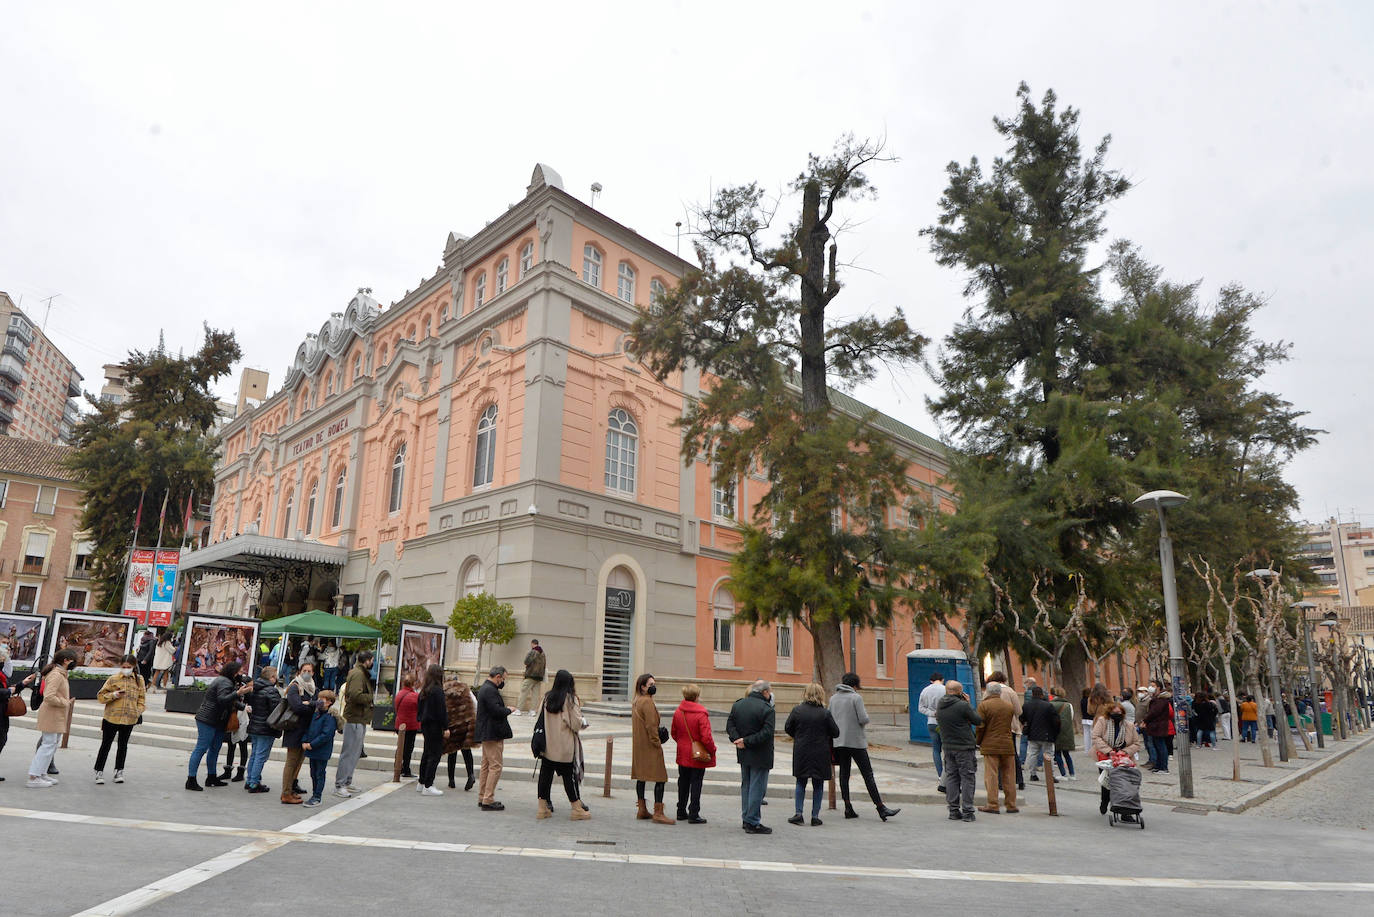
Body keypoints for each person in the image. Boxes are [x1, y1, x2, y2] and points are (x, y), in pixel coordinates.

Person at [829, 673, 900, 820]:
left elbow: (829, 718)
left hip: (839, 742)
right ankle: (880, 807)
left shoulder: (833, 698)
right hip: (856, 742)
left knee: (844, 775)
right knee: (868, 774)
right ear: (855, 685)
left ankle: (848, 807)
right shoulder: (856, 697)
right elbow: (863, 718)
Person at [187, 661, 251, 791]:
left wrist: (243, 706)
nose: (242, 674)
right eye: (240, 672)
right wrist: (238, 694)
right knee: (201, 748)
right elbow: (223, 699)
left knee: (215, 749)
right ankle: (191, 779)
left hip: (218, 720)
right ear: (233, 672)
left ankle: (211, 777)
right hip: (209, 719)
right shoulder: (224, 682)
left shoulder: (226, 681)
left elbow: (230, 700)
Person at [783, 683, 839, 827]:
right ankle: (815, 816)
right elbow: (836, 732)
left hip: (802, 750)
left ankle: (798, 813)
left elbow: (788, 727)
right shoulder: (825, 713)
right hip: (821, 751)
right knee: (818, 784)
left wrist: (799, 735)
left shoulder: (797, 710)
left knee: (800, 782)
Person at [538, 669, 590, 820]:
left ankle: (542, 809)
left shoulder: (547, 697)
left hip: (548, 745)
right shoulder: (569, 700)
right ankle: (576, 809)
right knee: (569, 777)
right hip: (564, 747)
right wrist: (584, 722)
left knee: (545, 776)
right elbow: (575, 723)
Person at [726, 679, 775, 834]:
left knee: (746, 785)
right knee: (757, 787)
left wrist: (737, 740)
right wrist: (746, 741)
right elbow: (767, 733)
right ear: (765, 692)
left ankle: (746, 817)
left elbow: (730, 725)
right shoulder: (767, 709)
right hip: (760, 753)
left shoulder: (739, 704)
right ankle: (752, 821)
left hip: (743, 751)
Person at [93, 653, 147, 785]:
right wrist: (114, 695)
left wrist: (138, 711)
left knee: (123, 746)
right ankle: (99, 770)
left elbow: (142, 699)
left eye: (129, 666)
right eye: (124, 666)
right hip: (112, 717)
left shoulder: (139, 680)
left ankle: (119, 770)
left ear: (133, 666)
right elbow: (100, 696)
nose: (126, 668)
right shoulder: (113, 679)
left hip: (129, 718)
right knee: (106, 744)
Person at [28, 648, 78, 788]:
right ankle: (34, 776)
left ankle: (41, 773)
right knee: (48, 745)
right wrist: (65, 702)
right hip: (52, 713)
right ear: (66, 660)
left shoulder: (59, 673)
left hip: (55, 714)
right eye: (73, 660)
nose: (75, 663)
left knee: (52, 744)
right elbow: (49, 696)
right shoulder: (57, 674)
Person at [631, 672, 674, 824]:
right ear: (643, 687)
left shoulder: (636, 701)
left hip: (639, 746)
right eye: (650, 685)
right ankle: (658, 813)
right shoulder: (647, 702)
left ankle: (642, 809)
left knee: (641, 777)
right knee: (661, 778)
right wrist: (657, 743)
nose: (653, 687)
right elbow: (650, 726)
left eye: (654, 684)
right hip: (650, 745)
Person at [935, 679, 981, 822]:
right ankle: (968, 811)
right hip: (964, 747)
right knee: (967, 777)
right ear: (959, 692)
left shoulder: (940, 704)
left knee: (952, 777)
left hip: (948, 746)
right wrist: (968, 703)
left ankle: (953, 810)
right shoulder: (962, 706)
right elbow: (977, 720)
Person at [670, 683, 714, 824]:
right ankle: (694, 813)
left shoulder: (678, 712)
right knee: (696, 782)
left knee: (683, 781)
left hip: (683, 752)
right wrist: (712, 750)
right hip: (697, 753)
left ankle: (681, 810)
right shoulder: (701, 714)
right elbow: (706, 738)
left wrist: (683, 744)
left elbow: (674, 733)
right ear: (696, 696)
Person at [334, 648, 374, 798]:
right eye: (372, 660)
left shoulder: (359, 673)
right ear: (367, 660)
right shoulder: (358, 674)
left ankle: (347, 781)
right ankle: (340, 784)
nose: (372, 663)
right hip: (354, 718)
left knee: (355, 752)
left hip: (359, 718)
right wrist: (369, 698)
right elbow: (355, 695)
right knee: (349, 752)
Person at [1092, 699, 1142, 816]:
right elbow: (1096, 737)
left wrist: (1125, 752)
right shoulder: (1102, 722)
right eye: (1114, 713)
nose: (1117, 716)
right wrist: (1109, 751)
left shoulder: (1128, 725)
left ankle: (1125, 811)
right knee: (1107, 783)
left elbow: (1136, 743)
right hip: (1106, 757)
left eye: (1119, 713)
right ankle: (1105, 801)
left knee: (1125, 784)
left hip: (1124, 758)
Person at [474, 665, 514, 810]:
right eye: (503, 679)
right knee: (495, 766)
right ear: (498, 677)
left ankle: (483, 796)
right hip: (492, 733)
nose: (503, 682)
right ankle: (488, 799)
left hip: (487, 732)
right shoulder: (490, 690)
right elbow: (496, 711)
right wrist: (509, 710)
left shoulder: (485, 688)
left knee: (486, 765)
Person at [975, 682, 1018, 814]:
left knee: (991, 775)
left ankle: (993, 804)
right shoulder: (1008, 706)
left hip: (990, 744)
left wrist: (978, 741)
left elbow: (980, 726)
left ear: (987, 692)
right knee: (1009, 775)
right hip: (1007, 744)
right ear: (999, 692)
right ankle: (1011, 804)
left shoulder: (984, 705)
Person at [279, 663, 318, 804]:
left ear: (313, 673)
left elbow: (314, 705)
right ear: (299, 672)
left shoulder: (312, 688)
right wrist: (311, 706)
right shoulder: (295, 686)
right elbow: (297, 707)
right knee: (291, 762)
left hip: (306, 730)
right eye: (304, 670)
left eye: (309, 671)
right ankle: (285, 793)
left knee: (299, 762)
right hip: (294, 729)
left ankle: (291, 790)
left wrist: (310, 704)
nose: (307, 673)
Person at [244, 665, 282, 793]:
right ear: (271, 677)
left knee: (255, 754)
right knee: (261, 755)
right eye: (275, 676)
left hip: (255, 725)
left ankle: (250, 780)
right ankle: (254, 783)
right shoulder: (271, 691)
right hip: (266, 727)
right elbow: (277, 710)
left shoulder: (256, 688)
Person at [300, 689, 341, 807]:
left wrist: (311, 744)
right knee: (313, 773)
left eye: (321, 699)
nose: (318, 701)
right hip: (312, 748)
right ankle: (314, 794)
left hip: (321, 750)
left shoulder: (329, 716)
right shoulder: (317, 713)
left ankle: (317, 796)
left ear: (329, 702)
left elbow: (326, 735)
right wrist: (305, 740)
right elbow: (309, 728)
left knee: (319, 773)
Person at [985, 671, 1024, 790]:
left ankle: (1000, 782)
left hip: (992, 728)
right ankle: (1019, 780)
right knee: (1012, 753)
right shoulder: (1010, 691)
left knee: (995, 755)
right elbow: (1018, 711)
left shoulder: (987, 692)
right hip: (1009, 727)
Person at [416, 664, 449, 796]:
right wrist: (446, 727)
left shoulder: (425, 690)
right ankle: (428, 785)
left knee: (427, 753)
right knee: (434, 755)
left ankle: (422, 781)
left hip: (425, 724)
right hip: (435, 725)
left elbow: (419, 708)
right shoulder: (438, 691)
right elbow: (442, 711)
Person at [442, 675, 478, 790]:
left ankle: (451, 780)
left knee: (452, 751)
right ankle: (470, 774)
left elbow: (442, 708)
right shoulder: (466, 689)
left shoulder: (444, 691)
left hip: (452, 725)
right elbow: (475, 704)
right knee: (466, 750)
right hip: (465, 723)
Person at [1020, 685, 1060, 782]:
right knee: (1048, 755)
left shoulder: (1026, 705)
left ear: (1032, 694)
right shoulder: (1048, 706)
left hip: (1032, 733)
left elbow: (1022, 718)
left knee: (1033, 754)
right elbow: (1056, 721)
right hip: (1047, 734)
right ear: (1042, 695)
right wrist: (1055, 733)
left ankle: (1033, 774)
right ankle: (1050, 775)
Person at [916, 670, 946, 791]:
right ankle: (946, 775)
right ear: (942, 679)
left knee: (935, 750)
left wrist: (932, 713)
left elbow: (920, 708)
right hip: (944, 723)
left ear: (931, 680)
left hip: (931, 722)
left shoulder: (925, 690)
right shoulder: (945, 689)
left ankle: (940, 774)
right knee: (947, 750)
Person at [1143, 679, 1173, 774]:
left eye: (1153, 686)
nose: (1150, 688)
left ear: (1158, 687)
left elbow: (1154, 712)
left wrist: (1145, 720)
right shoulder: (1157, 699)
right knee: (1157, 746)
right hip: (1155, 726)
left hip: (1159, 726)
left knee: (1161, 746)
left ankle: (1163, 767)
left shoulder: (1160, 700)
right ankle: (1159, 766)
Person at [394, 674, 421, 779]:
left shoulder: (399, 694)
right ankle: (406, 769)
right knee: (408, 749)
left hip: (399, 724)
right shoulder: (414, 696)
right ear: (413, 684)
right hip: (410, 726)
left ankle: (398, 766)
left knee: (401, 747)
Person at [1049, 686, 1077, 780]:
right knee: (1067, 754)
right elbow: (1071, 717)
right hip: (1067, 732)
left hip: (1055, 732)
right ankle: (1072, 774)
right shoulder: (1069, 705)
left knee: (1057, 754)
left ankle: (1063, 774)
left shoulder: (1051, 704)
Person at [517, 639, 546, 715]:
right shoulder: (543, 653)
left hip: (530, 675)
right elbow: (544, 665)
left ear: (532, 644)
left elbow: (526, 662)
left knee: (524, 692)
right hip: (539, 677)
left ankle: (519, 710)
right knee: (536, 694)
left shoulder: (532, 652)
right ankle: (533, 711)